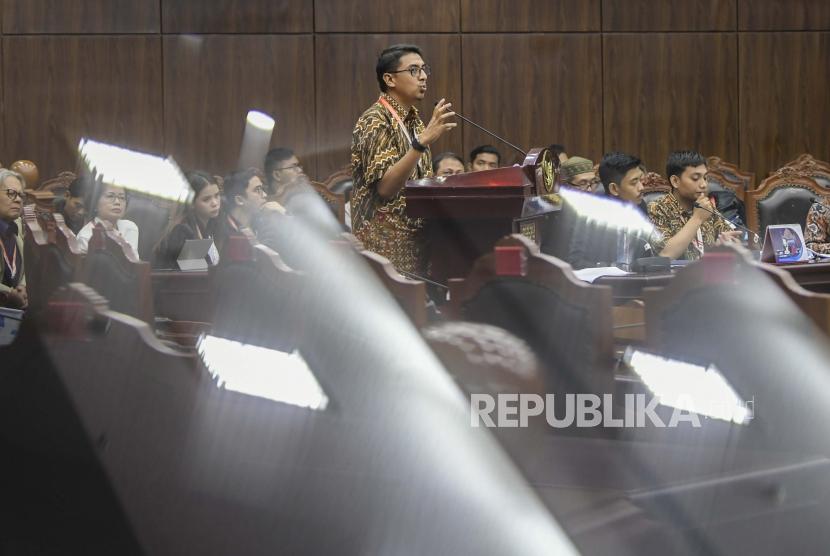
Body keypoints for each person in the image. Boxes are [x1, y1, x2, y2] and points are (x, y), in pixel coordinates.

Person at [351, 44, 456, 273]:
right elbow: (386, 189)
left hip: (419, 238)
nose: (424, 76)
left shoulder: (415, 122)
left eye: (424, 69)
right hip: (384, 245)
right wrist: (421, 143)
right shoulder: (374, 121)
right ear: (389, 79)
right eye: (414, 70)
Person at [564, 152, 654, 269]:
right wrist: (611, 268)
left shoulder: (640, 206)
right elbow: (575, 262)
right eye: (634, 182)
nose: (641, 188)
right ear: (614, 189)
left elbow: (648, 254)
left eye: (640, 180)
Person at [647, 150, 742, 261]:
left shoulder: (706, 206)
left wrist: (727, 244)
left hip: (709, 274)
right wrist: (697, 218)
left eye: (705, 178)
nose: (704, 184)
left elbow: (732, 241)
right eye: (695, 178)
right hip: (675, 277)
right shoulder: (657, 208)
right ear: (675, 181)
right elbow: (666, 254)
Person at [153, 171, 226, 269]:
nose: (215, 203)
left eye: (217, 196)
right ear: (191, 203)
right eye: (206, 199)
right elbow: (193, 275)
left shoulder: (213, 226)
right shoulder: (183, 231)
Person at [76, 181, 140, 255]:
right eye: (110, 196)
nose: (117, 202)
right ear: (95, 203)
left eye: (122, 197)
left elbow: (134, 262)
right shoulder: (86, 236)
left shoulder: (130, 228)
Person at [0, 169, 27, 309]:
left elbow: (24, 269)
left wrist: (23, 287)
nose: (18, 199)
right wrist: (8, 293)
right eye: (11, 193)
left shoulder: (17, 227)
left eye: (21, 195)